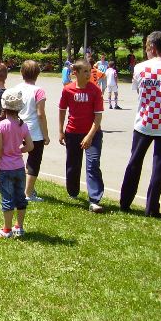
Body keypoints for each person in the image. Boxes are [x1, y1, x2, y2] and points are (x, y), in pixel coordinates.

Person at [120, 31, 161, 217]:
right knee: (159, 165)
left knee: (134, 162)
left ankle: (125, 202)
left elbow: (139, 91)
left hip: (144, 121)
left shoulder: (140, 68)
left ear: (152, 47)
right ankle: (152, 208)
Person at [58, 60, 105, 213]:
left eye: (89, 71)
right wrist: (60, 130)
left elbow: (98, 117)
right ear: (75, 73)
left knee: (93, 163)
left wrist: (90, 136)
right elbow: (62, 110)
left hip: (93, 134)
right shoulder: (68, 90)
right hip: (72, 133)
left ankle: (94, 199)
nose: (88, 74)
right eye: (85, 71)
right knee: (73, 164)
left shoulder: (95, 90)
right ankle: (73, 191)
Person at [0, 88, 34, 238]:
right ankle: (19, 227)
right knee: (20, 197)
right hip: (19, 167)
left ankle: (6, 230)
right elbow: (30, 146)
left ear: (3, 106)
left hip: (5, 168)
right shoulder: (23, 125)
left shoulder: (0, 126)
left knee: (7, 197)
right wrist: (19, 150)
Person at [13, 60, 50, 202]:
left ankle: (3, 183)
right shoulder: (39, 91)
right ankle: (28, 193)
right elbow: (41, 114)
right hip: (34, 131)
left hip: (17, 128)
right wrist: (45, 135)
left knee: (12, 156)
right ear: (37, 74)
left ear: (22, 72)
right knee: (34, 161)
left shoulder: (16, 89)